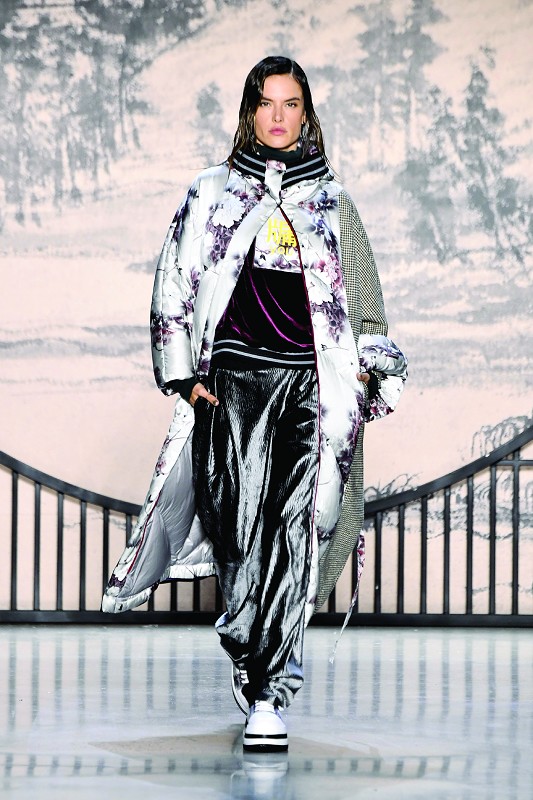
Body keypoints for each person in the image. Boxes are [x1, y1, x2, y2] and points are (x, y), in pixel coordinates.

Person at [102, 56, 407, 753]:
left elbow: (363, 300)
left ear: (306, 114)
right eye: (266, 103)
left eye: (290, 103)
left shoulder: (333, 201)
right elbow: (174, 280)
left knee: (294, 533)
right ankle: (249, 655)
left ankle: (270, 689)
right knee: (239, 537)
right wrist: (183, 377)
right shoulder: (210, 192)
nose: (277, 115)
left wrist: (366, 377)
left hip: (309, 388)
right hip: (233, 386)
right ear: (249, 111)